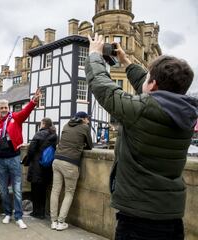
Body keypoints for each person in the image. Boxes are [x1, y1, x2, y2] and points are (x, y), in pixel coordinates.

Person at [85, 33, 198, 239]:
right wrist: (126, 62)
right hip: (171, 217)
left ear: (153, 85)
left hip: (139, 221)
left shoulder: (143, 110)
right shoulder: (185, 113)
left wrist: (94, 55)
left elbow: (105, 89)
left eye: (148, 77)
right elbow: (150, 89)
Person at [0, 89, 41, 229]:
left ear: (9, 108)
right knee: (3, 189)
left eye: (6, 107)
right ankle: (7, 213)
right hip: (0, 160)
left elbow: (25, 112)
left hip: (13, 158)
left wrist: (33, 101)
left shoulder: (15, 117)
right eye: (1, 108)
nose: (4, 110)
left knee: (17, 189)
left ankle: (18, 216)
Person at [50, 112, 93, 231]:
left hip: (57, 160)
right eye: (87, 119)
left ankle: (53, 221)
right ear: (84, 119)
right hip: (70, 163)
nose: (88, 121)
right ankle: (61, 222)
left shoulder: (66, 125)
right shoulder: (85, 127)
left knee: (55, 190)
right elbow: (90, 146)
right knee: (69, 192)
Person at [25, 117, 57, 219]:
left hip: (37, 165)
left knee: (35, 190)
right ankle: (42, 212)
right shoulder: (54, 135)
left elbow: (31, 150)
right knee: (43, 191)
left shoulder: (39, 134)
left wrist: (27, 160)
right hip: (47, 166)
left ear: (43, 124)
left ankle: (36, 212)